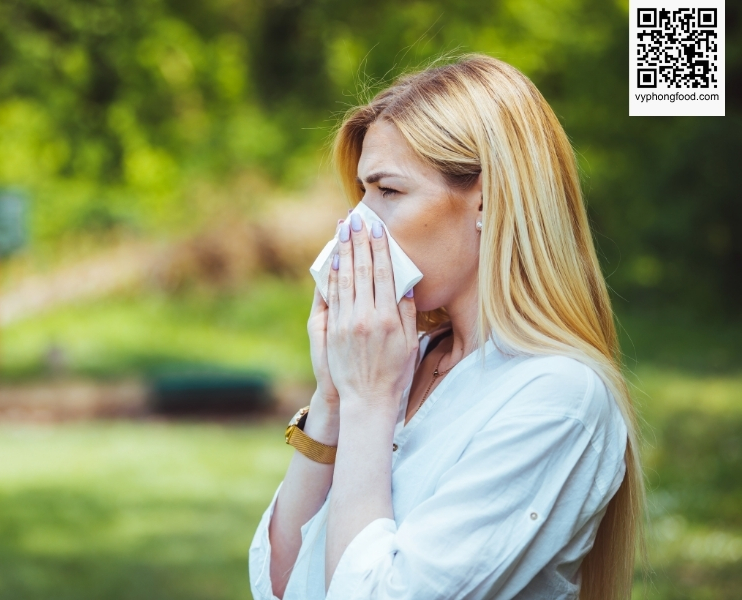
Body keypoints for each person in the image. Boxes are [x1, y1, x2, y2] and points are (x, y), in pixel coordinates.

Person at [248, 53, 644, 600]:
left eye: (389, 192)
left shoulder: (557, 399)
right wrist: (333, 400)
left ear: (487, 197)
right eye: (362, 194)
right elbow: (277, 584)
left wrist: (367, 401)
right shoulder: (403, 359)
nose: (356, 226)